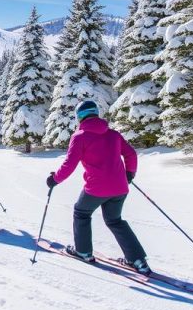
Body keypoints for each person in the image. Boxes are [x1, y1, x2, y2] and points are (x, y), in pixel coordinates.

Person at [46, 100, 150, 275]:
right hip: (120, 188)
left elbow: (69, 164)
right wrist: (129, 174)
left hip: (96, 188)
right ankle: (137, 260)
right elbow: (131, 154)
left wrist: (55, 179)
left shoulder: (79, 136)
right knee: (115, 220)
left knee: (81, 213)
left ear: (79, 117)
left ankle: (83, 251)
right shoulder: (113, 134)